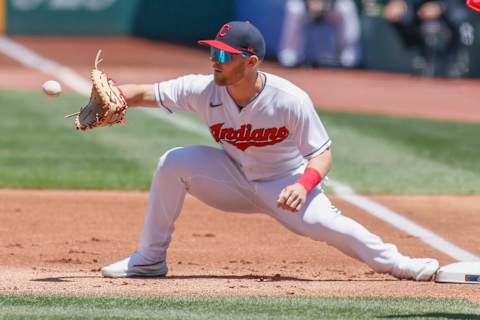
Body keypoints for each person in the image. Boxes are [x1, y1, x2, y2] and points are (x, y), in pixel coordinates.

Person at [101, 21, 439, 281]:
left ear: (250, 62)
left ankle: (401, 264)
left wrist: (302, 186)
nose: (214, 62)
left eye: (223, 55)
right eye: (212, 53)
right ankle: (149, 260)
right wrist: (109, 94)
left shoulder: (289, 99)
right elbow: (144, 93)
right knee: (174, 162)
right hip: (232, 180)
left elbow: (321, 153)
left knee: (334, 226)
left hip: (285, 185)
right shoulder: (202, 88)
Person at [383, 0, 474, 77]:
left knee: (459, 16)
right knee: (401, 14)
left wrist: (440, 6)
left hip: (450, 6)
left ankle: (455, 60)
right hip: (419, 6)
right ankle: (419, 54)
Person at [278, 0, 362, 68]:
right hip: (306, 5)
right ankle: (290, 52)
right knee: (294, 8)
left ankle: (349, 53)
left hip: (331, 5)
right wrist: (310, 3)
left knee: (346, 7)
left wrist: (325, 4)